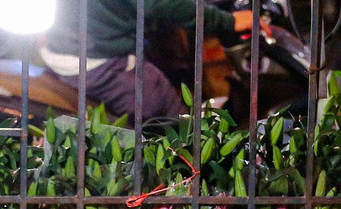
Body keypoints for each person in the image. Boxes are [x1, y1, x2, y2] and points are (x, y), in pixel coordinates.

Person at [38, 0, 261, 122]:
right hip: (100, 59)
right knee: (173, 121)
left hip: (65, 49)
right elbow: (160, 4)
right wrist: (227, 21)